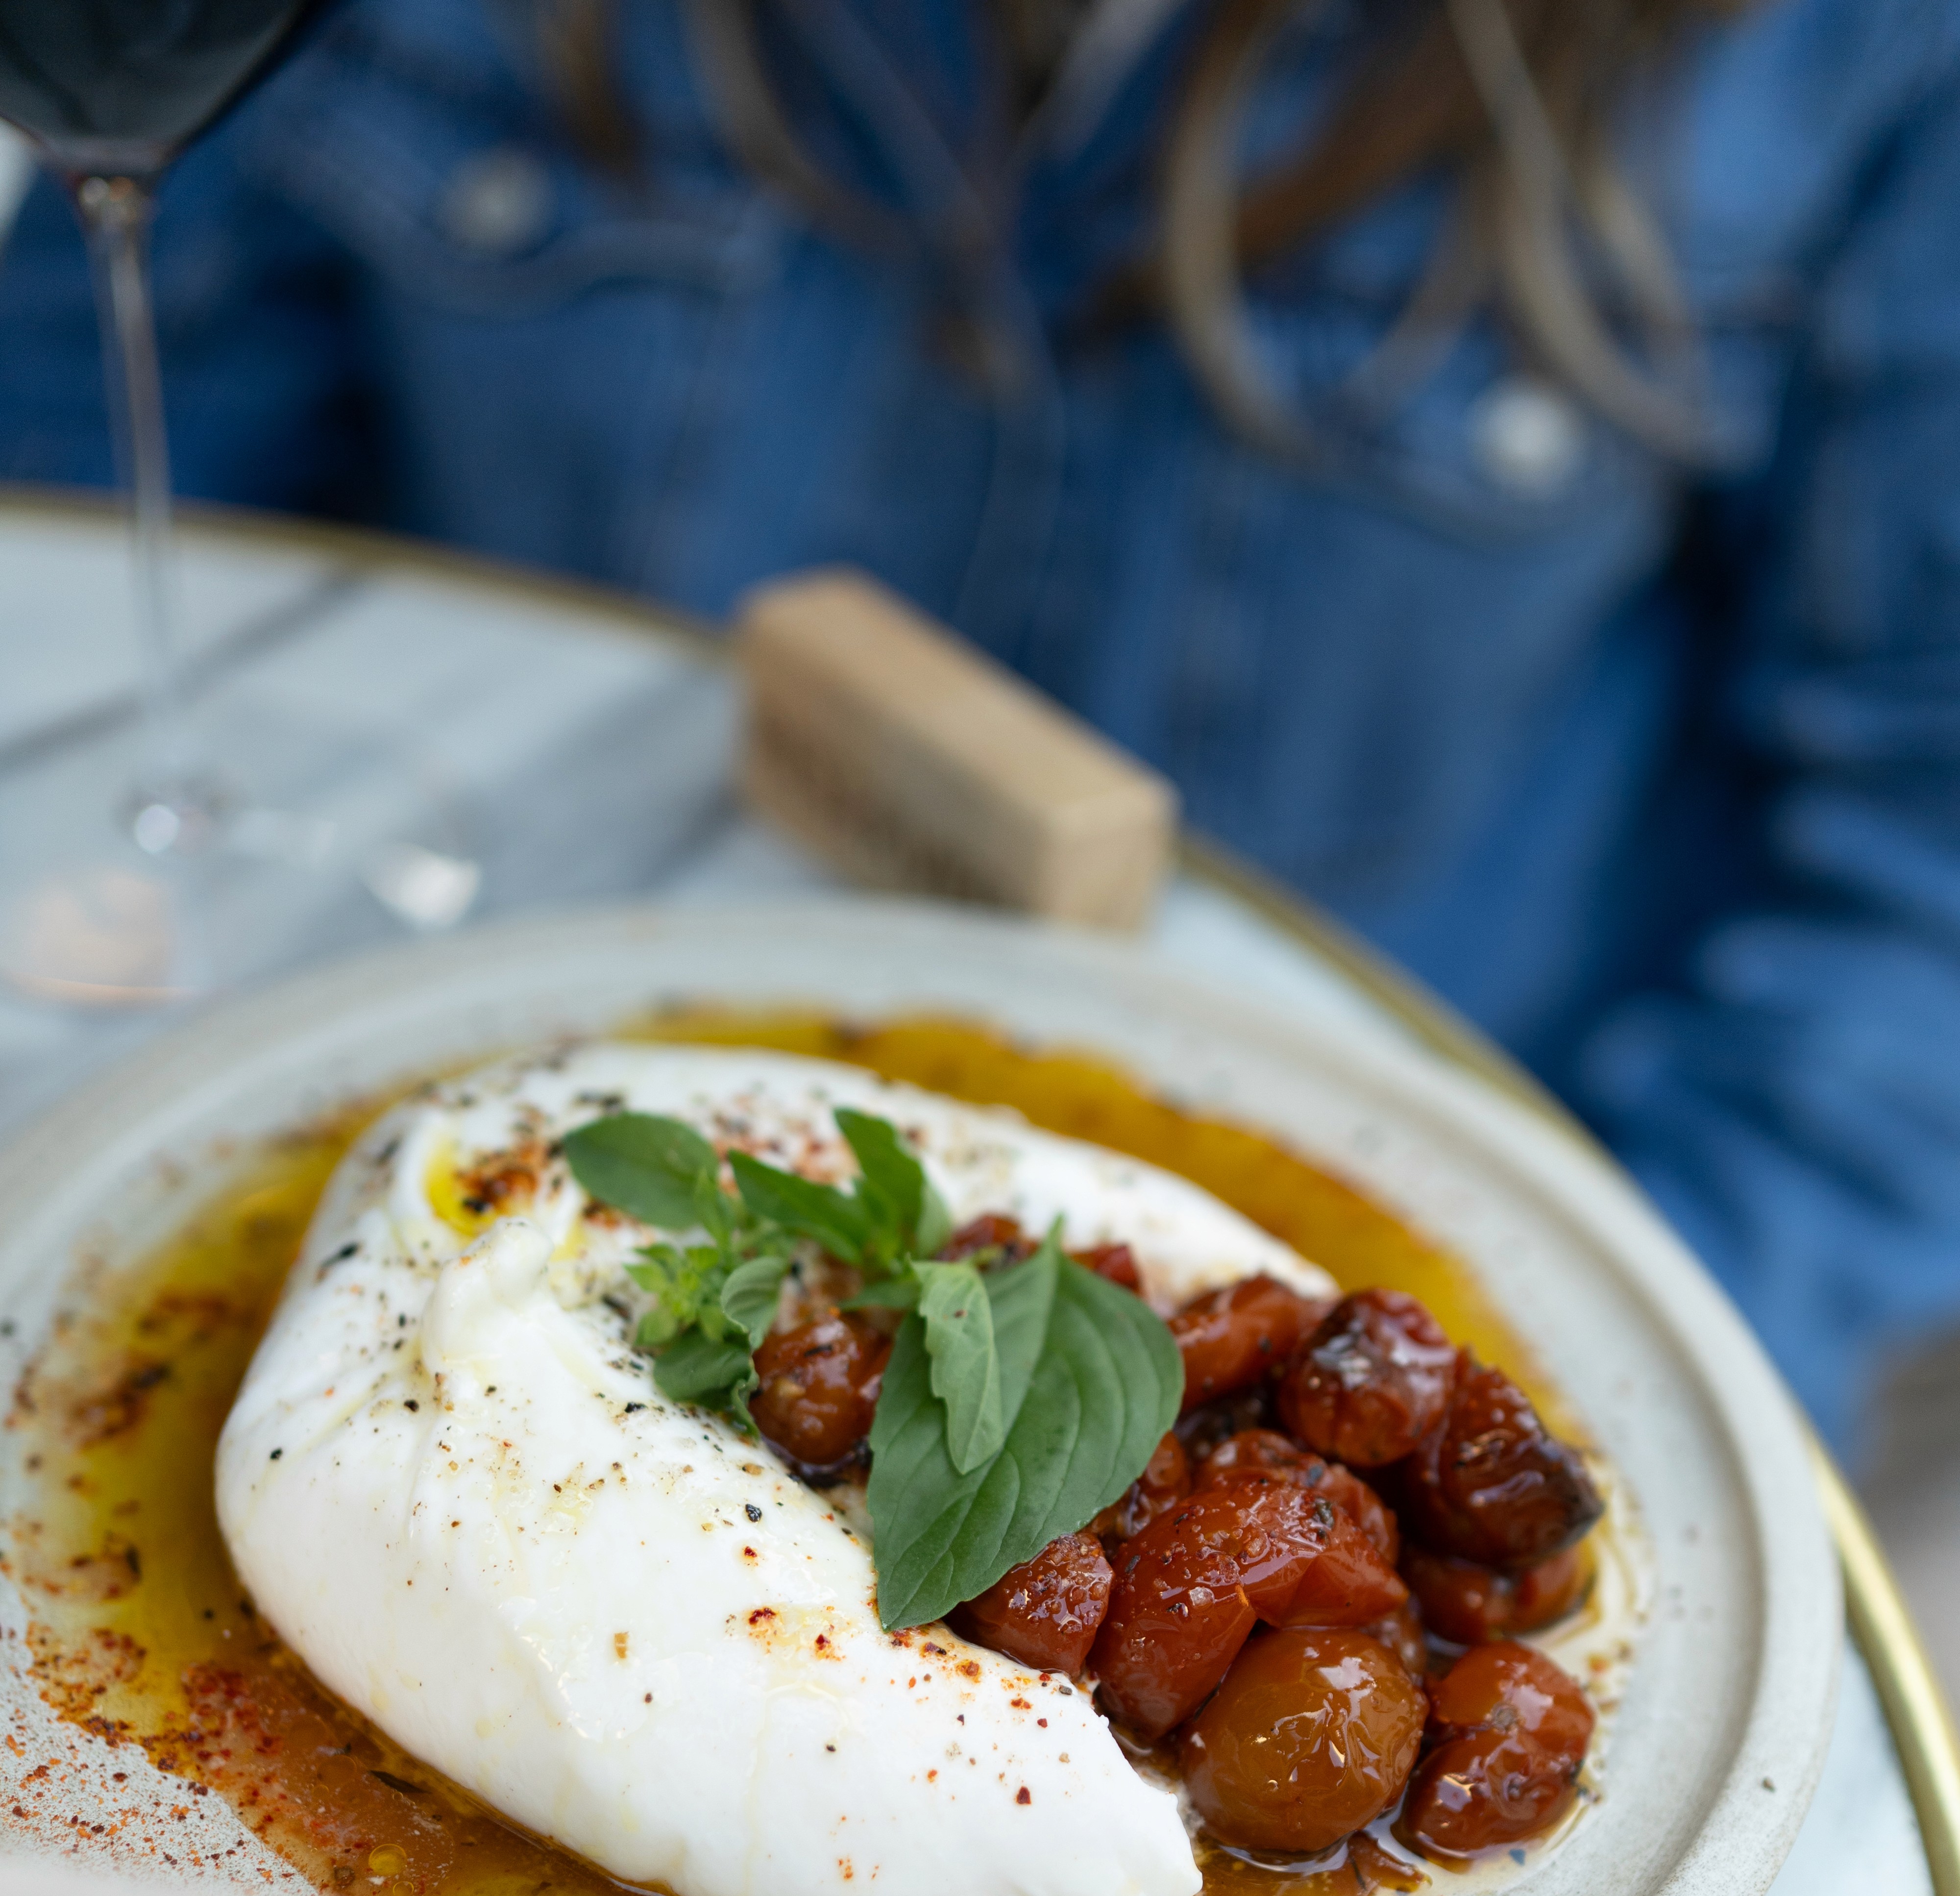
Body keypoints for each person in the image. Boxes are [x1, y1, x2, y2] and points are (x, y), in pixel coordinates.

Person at [0, 0, 1956, 1452]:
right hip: (464, 1162)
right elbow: (110, 485)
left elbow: (1923, 860)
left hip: (1340, 1256)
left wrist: (1598, 1411)